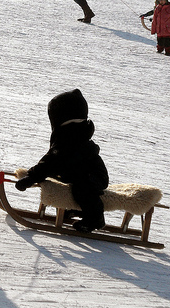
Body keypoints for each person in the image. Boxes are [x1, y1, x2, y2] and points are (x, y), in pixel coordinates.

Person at [15, 89, 109, 233]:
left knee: (82, 188)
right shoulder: (70, 136)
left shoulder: (69, 139)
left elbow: (50, 162)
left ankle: (95, 219)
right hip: (75, 173)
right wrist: (32, 175)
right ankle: (74, 210)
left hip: (94, 176)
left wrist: (31, 178)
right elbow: (50, 162)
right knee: (73, 182)